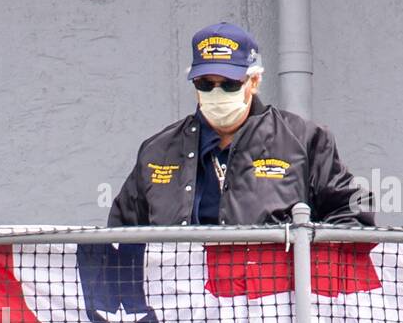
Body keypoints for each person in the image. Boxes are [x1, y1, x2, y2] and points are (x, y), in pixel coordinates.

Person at [108, 22, 373, 227]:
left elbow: (353, 211)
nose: (217, 92)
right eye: (205, 84)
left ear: (254, 82)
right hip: (176, 295)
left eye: (230, 84)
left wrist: (307, 265)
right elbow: (120, 236)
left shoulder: (304, 139)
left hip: (271, 295)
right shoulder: (158, 150)